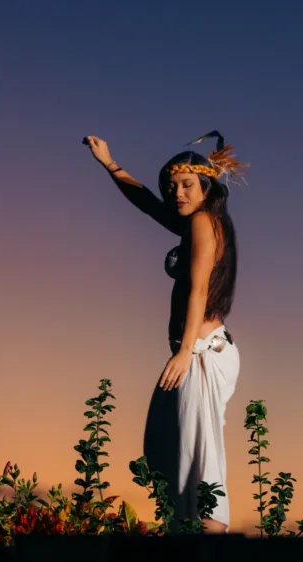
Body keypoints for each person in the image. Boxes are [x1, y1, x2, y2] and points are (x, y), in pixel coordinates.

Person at [83, 131, 247, 533]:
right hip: (197, 348)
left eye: (187, 185)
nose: (177, 193)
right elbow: (146, 203)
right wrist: (110, 163)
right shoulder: (194, 223)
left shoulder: (206, 223)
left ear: (206, 186)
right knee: (167, 451)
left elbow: (198, 290)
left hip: (202, 351)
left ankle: (209, 549)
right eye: (172, 187)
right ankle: (186, 540)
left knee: (199, 461)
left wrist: (185, 351)